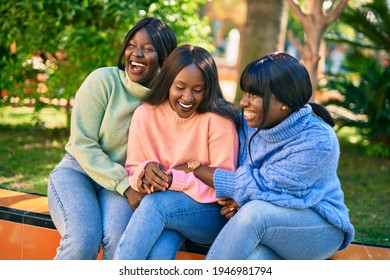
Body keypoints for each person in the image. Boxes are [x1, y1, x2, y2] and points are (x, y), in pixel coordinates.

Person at [188, 52, 355, 259]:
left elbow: (264, 185)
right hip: (270, 224)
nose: (243, 102)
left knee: (253, 215)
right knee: (256, 258)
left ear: (284, 101)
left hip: (319, 226)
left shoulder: (318, 140)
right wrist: (241, 200)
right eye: (245, 93)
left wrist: (201, 171)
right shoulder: (249, 125)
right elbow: (252, 185)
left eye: (254, 95)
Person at [47, 17, 178, 260]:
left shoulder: (165, 102)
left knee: (121, 243)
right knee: (82, 240)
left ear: (165, 57)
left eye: (148, 49)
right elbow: (82, 144)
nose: (136, 54)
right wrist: (125, 186)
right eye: (131, 45)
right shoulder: (103, 81)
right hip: (78, 172)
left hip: (122, 182)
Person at [113, 44, 239, 260]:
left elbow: (226, 186)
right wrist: (145, 172)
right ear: (168, 82)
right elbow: (133, 168)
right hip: (165, 213)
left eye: (197, 90)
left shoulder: (218, 121)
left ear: (208, 89)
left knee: (156, 205)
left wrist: (174, 179)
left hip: (207, 214)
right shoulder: (145, 114)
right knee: (161, 249)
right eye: (180, 87)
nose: (187, 97)